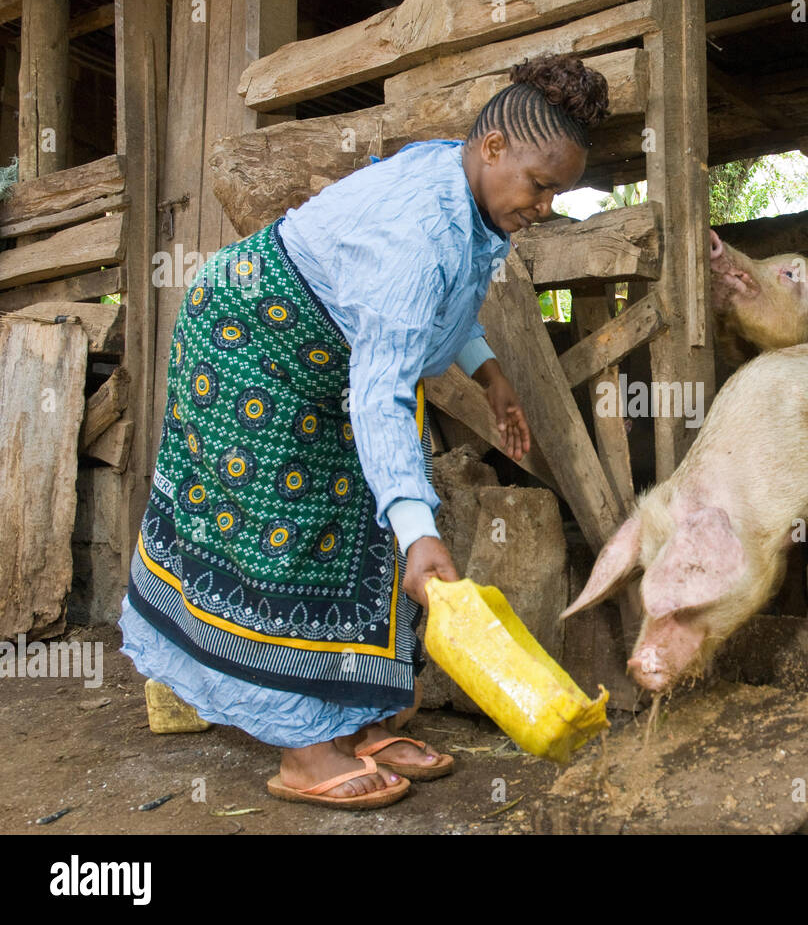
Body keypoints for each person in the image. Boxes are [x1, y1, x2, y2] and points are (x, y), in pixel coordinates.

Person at [118, 55, 610, 809]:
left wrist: (488, 371)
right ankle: (302, 747)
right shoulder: (420, 229)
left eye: (557, 192)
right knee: (284, 529)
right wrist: (420, 533)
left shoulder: (466, 192)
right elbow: (381, 391)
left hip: (324, 355)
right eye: (540, 185)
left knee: (360, 521)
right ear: (493, 148)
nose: (544, 205)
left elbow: (447, 301)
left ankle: (363, 719)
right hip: (245, 339)